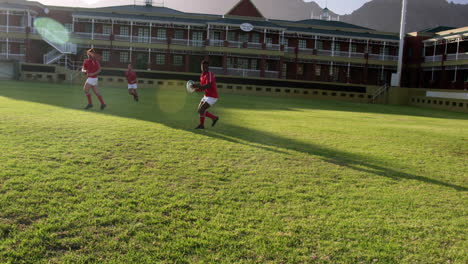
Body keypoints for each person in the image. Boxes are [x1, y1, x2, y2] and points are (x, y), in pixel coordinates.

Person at [192, 60, 219, 129]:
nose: (204, 68)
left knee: (202, 110)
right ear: (201, 67)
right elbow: (202, 88)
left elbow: (208, 85)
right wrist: (194, 89)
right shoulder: (202, 76)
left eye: (206, 67)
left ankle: (202, 125)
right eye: (203, 67)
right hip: (206, 95)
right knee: (199, 110)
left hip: (212, 96)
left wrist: (197, 86)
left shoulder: (209, 74)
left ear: (208, 67)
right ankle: (214, 118)